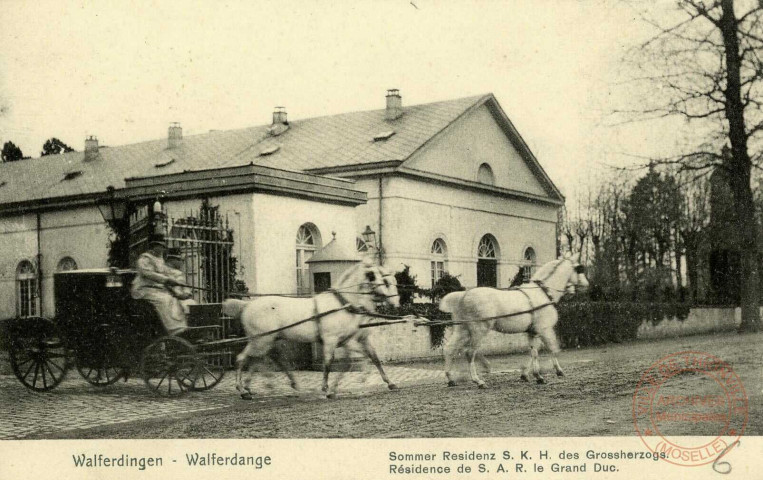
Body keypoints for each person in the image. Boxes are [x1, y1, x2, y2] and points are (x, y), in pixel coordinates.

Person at [130, 238, 188, 335]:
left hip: (156, 289)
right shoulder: (145, 259)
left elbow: (167, 272)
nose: (162, 249)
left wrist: (175, 281)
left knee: (173, 299)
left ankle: (180, 327)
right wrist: (166, 280)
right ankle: (173, 329)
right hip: (143, 289)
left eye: (163, 247)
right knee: (164, 300)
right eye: (160, 246)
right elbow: (147, 273)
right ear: (154, 247)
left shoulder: (160, 260)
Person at [165, 249, 197, 318]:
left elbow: (186, 288)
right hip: (171, 301)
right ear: (173, 260)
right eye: (180, 260)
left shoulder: (179, 273)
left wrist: (186, 294)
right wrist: (179, 295)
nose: (182, 263)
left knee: (192, 303)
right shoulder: (164, 272)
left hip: (182, 300)